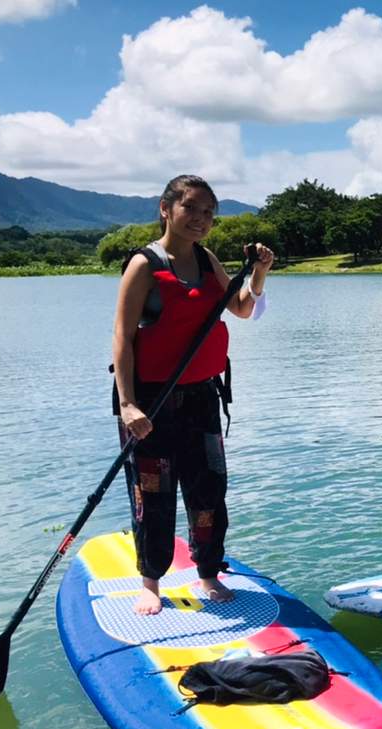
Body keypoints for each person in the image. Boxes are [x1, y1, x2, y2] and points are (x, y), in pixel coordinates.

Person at [112, 175, 275, 615]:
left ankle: (207, 573)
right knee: (154, 493)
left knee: (208, 492)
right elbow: (123, 339)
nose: (201, 219)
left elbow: (241, 308)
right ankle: (151, 582)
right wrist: (128, 405)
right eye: (192, 209)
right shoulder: (145, 265)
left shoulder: (207, 261)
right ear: (166, 208)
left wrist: (258, 272)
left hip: (201, 399)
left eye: (209, 213)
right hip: (151, 402)